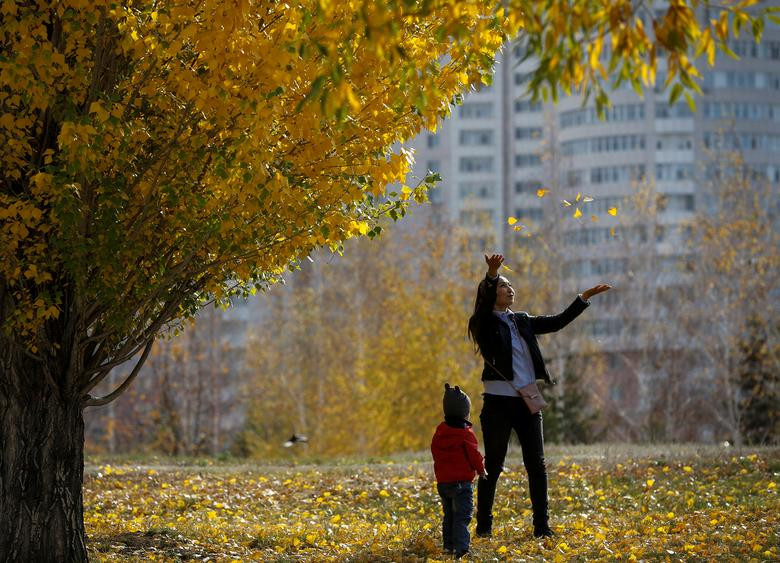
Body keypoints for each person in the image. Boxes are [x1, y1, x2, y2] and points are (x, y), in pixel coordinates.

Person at [468, 253, 610, 539]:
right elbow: (483, 307)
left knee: (537, 464)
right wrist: (492, 273)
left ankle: (541, 528)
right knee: (493, 465)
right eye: (502, 286)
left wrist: (583, 298)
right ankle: (484, 527)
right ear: (490, 293)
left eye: (510, 285)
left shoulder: (522, 320)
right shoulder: (482, 323)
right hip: (497, 404)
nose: (510, 289)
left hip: (527, 401)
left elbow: (557, 322)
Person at [431, 383, 487, 559]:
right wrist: (482, 470)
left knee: (449, 516)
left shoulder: (440, 433)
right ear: (465, 413)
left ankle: (448, 546)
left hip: (444, 483)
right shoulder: (466, 434)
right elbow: (474, 456)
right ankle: (462, 549)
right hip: (462, 484)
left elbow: (435, 451)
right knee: (462, 517)